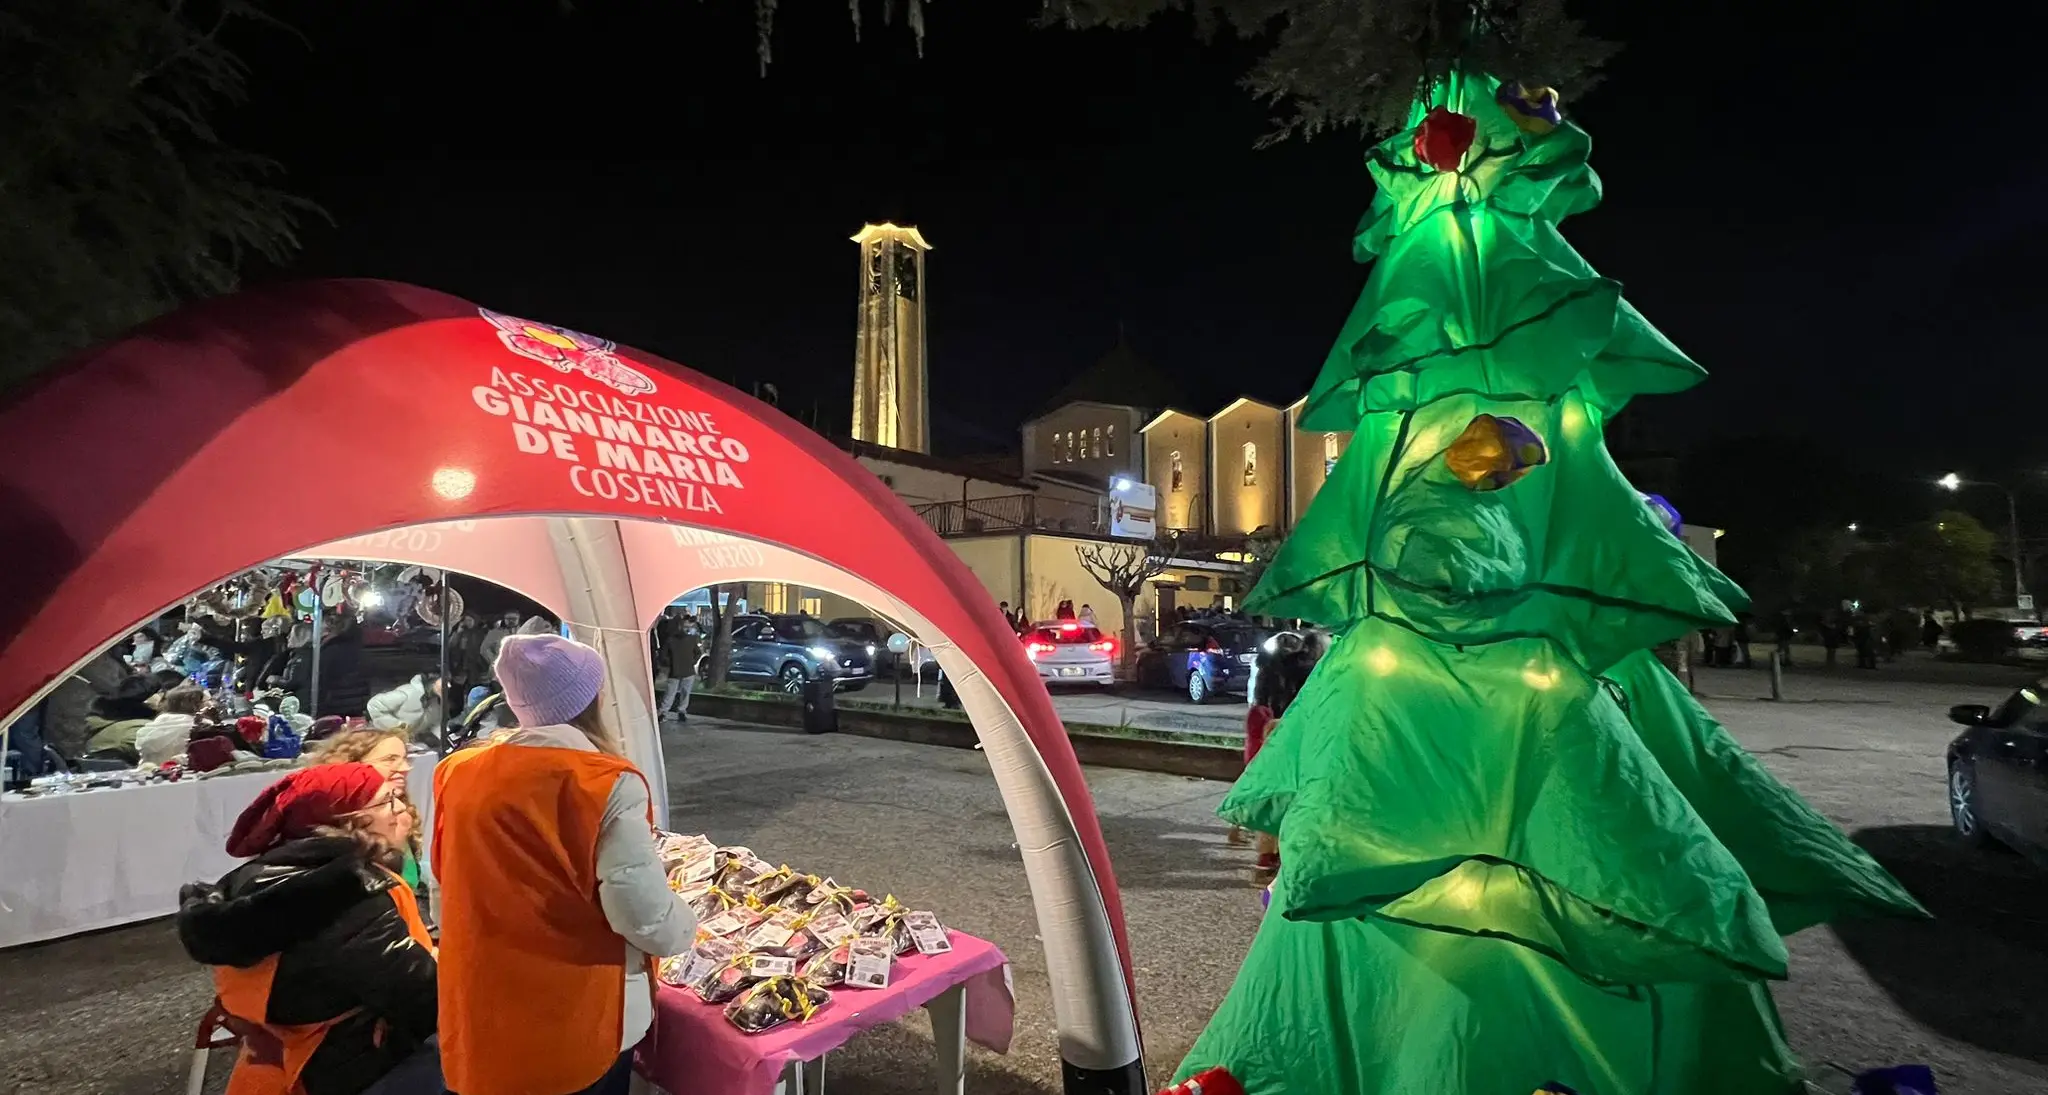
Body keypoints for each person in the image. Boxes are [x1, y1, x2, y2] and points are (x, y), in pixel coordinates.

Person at [432, 634, 696, 1095]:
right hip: (574, 1013)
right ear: (592, 699)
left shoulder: (457, 770)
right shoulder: (603, 782)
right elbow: (645, 917)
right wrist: (688, 927)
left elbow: (442, 886)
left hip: (483, 1001)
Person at [177, 763, 440, 1095]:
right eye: (389, 800)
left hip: (270, 1067)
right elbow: (423, 999)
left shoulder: (248, 879)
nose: (402, 808)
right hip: (350, 1070)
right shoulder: (352, 894)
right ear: (350, 821)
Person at [313, 729, 428, 898]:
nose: (406, 768)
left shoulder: (402, 806)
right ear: (353, 765)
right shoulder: (335, 819)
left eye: (405, 758)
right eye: (390, 759)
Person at [135, 682, 207, 766]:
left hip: (152, 770)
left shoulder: (159, 721)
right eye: (206, 701)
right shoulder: (201, 725)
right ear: (196, 705)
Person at [367, 674, 444, 738]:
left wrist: (445, 738)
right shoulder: (407, 693)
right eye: (443, 682)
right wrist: (398, 725)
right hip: (384, 737)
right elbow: (374, 705)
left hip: (407, 741)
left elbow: (435, 725)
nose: (448, 686)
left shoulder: (434, 705)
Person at [659, 616, 701, 723]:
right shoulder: (688, 639)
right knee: (681, 693)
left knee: (672, 693)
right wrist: (692, 662)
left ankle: (665, 712)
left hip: (677, 671)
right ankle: (677, 711)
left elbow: (663, 655)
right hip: (685, 670)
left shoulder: (672, 640)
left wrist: (671, 663)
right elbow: (698, 653)